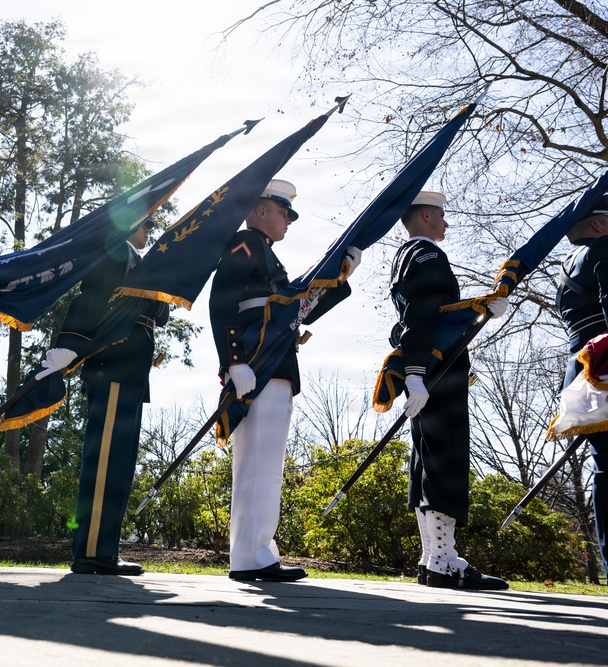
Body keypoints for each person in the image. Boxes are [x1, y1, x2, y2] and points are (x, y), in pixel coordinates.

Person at [208, 179, 357, 582]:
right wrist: (233, 361)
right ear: (260, 210)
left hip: (273, 364)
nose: (288, 221)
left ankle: (255, 552)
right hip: (257, 364)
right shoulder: (246, 244)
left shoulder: (268, 256)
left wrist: (337, 277)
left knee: (266, 465)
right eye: (283, 212)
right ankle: (251, 555)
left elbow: (295, 313)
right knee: (257, 463)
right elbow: (222, 301)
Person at [391, 191, 508, 590]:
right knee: (447, 459)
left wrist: (479, 308)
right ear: (424, 216)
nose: (445, 222)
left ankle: (433, 558)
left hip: (427, 370)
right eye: (441, 215)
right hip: (438, 371)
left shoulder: (405, 257)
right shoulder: (428, 256)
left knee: (428, 462)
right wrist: (418, 373)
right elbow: (422, 317)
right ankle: (443, 561)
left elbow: (431, 315)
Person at [37, 218, 167, 575]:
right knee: (105, 462)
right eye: (146, 224)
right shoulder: (113, 255)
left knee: (120, 467)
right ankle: (92, 549)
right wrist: (67, 343)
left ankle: (104, 549)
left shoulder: (137, 262)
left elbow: (161, 311)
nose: (149, 232)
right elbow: (89, 300)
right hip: (112, 368)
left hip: (131, 374)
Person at [554, 194, 608, 577]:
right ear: (597, 225)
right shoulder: (604, 249)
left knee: (606, 468)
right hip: (603, 369)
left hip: (584, 375)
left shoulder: (567, 267)